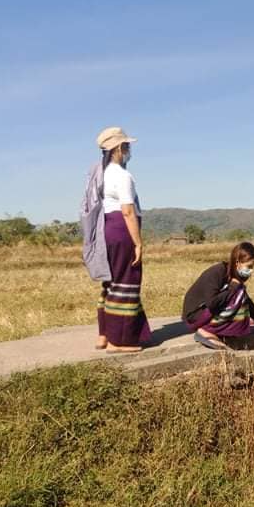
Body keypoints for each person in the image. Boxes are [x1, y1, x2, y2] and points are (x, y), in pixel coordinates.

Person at [94, 127, 153, 351]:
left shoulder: (101, 173)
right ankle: (118, 340)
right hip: (122, 230)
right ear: (119, 148)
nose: (129, 150)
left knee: (111, 282)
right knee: (127, 281)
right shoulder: (122, 175)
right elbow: (128, 211)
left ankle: (104, 334)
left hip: (107, 229)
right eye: (127, 146)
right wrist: (138, 243)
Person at [182, 242, 254, 349]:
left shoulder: (234, 276)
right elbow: (212, 303)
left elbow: (249, 304)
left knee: (242, 305)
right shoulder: (217, 272)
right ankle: (206, 331)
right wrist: (233, 287)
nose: (251, 270)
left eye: (253, 266)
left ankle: (218, 328)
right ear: (237, 262)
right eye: (249, 266)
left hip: (207, 312)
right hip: (195, 315)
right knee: (238, 295)